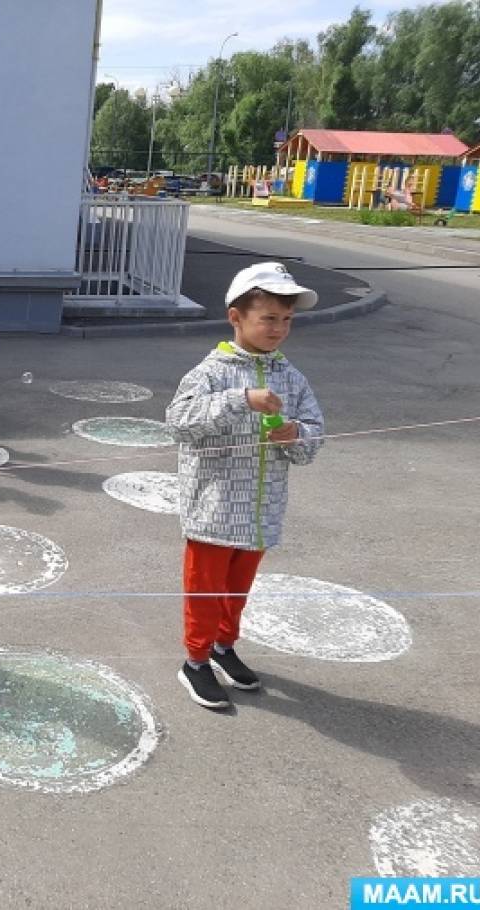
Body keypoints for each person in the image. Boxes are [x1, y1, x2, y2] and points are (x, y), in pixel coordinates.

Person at [166, 262, 325, 710]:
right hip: (215, 510)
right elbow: (180, 422)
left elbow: (315, 434)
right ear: (236, 317)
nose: (278, 329)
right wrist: (240, 400)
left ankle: (223, 644)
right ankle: (195, 660)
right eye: (268, 318)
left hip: (262, 509)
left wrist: (295, 433)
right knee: (205, 588)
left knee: (237, 588)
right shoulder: (211, 372)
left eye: (286, 320)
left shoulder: (290, 376)